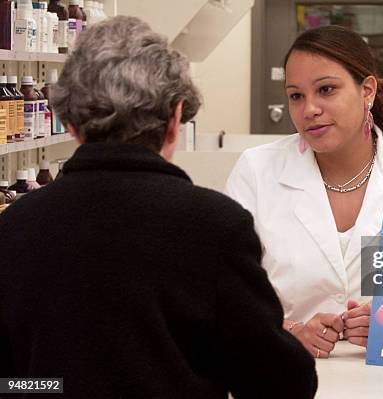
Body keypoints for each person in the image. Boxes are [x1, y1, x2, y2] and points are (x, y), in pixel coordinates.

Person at [0, 16, 317, 399]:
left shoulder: (15, 226)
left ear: (69, 123)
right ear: (176, 118)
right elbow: (280, 383)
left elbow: (11, 381)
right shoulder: (213, 225)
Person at [225, 25, 383, 359]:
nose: (309, 109)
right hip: (289, 374)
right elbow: (226, 292)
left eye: (326, 89)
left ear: (367, 91)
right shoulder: (257, 171)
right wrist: (287, 330)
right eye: (296, 96)